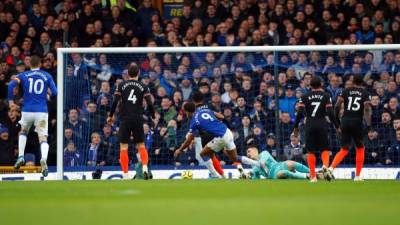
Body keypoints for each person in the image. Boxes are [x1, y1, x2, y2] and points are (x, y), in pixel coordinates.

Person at [174, 92, 245, 179]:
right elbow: (221, 116)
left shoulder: (194, 114)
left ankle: (219, 175)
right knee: (223, 154)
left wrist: (182, 148)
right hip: (218, 132)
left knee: (207, 155)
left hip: (205, 135)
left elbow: (190, 134)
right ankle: (231, 171)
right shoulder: (207, 107)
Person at [9, 55, 57, 177]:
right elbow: (55, 93)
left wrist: (10, 102)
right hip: (41, 111)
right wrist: (48, 94)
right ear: (40, 64)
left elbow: (10, 86)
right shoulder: (47, 76)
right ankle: (44, 159)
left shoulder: (23, 75)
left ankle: (20, 156)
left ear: (29, 64)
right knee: (43, 137)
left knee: (23, 131)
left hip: (27, 110)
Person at [107, 62, 155, 180]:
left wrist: (111, 115)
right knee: (141, 145)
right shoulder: (143, 86)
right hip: (138, 118)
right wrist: (153, 115)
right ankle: (144, 169)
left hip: (125, 119)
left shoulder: (121, 85)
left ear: (128, 74)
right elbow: (149, 103)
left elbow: (115, 101)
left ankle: (125, 175)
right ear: (138, 73)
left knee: (123, 147)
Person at [293, 76, 339, 182]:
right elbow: (331, 113)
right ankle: (325, 166)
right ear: (321, 85)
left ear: (310, 85)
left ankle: (313, 177)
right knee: (325, 148)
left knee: (310, 151)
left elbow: (299, 113)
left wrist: (295, 127)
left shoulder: (304, 96)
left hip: (309, 124)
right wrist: (337, 126)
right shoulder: (326, 95)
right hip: (322, 123)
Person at [328, 75, 372, 181]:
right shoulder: (365, 93)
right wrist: (369, 124)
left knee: (344, 149)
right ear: (362, 83)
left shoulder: (346, 91)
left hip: (345, 121)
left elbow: (337, 106)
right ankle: (357, 176)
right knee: (360, 148)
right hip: (357, 122)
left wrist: (337, 122)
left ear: (352, 82)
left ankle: (330, 168)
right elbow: (366, 109)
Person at [239, 146, 323, 180]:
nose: (248, 154)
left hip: (279, 165)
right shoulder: (254, 168)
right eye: (247, 154)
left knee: (290, 163)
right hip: (273, 174)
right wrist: (249, 176)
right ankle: (307, 176)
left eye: (249, 151)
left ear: (255, 150)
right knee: (282, 173)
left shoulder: (264, 153)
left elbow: (262, 162)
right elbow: (256, 180)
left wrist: (251, 171)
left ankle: (313, 173)